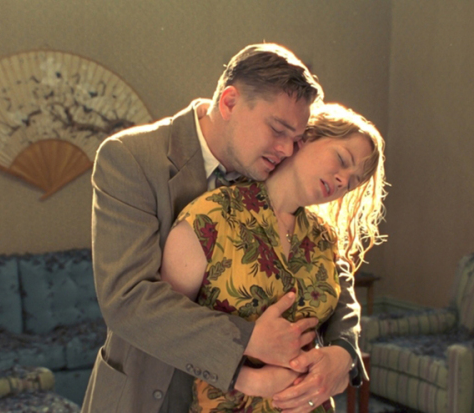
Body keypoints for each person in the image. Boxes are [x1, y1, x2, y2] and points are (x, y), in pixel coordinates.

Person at [82, 44, 367, 413]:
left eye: (296, 138)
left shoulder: (273, 162)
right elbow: (127, 298)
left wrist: (344, 351)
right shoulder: (130, 157)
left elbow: (327, 265)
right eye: (277, 129)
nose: (287, 149)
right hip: (149, 391)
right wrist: (247, 347)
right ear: (230, 102)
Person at [161, 103, 387, 412]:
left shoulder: (324, 239)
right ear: (305, 138)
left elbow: (343, 316)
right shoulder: (211, 217)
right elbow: (167, 329)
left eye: (353, 181)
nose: (342, 181)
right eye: (342, 159)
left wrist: (340, 360)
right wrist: (246, 378)